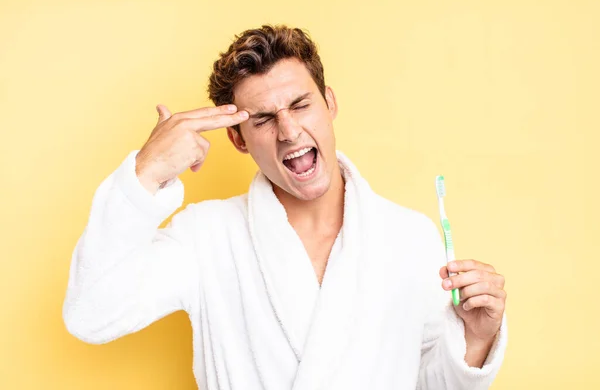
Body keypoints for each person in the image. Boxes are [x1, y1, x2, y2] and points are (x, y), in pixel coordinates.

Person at [63, 24, 507, 389]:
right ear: (238, 138)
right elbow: (90, 314)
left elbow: (431, 385)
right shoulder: (208, 236)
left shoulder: (410, 236)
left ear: (329, 103)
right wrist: (145, 175)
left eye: (300, 104)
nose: (290, 130)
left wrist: (476, 339)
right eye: (263, 118)